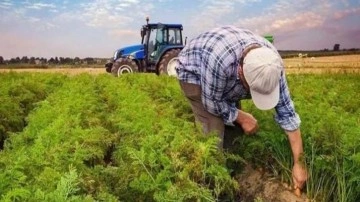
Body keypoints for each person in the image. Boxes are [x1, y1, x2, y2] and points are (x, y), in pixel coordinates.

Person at [175, 26, 307, 191]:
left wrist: (299, 163)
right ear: (242, 73)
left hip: (224, 75)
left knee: (234, 131)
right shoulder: (220, 62)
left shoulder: (272, 65)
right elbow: (211, 103)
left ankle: (235, 172)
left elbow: (288, 114)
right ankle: (213, 185)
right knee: (213, 134)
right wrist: (242, 117)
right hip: (195, 73)